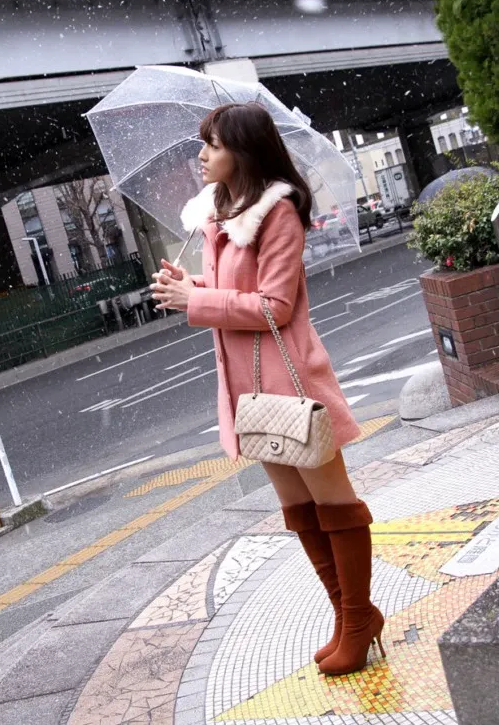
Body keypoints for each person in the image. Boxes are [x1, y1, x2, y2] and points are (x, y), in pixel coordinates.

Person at [149, 102, 384, 676]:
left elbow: (274, 306)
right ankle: (349, 615)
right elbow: (235, 287)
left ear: (243, 153)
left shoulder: (276, 213)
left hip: (291, 383)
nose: (202, 155)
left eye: (213, 145)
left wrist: (195, 302)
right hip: (249, 391)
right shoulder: (219, 216)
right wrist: (192, 283)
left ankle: (356, 622)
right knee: (298, 510)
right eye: (203, 143)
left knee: (335, 505)